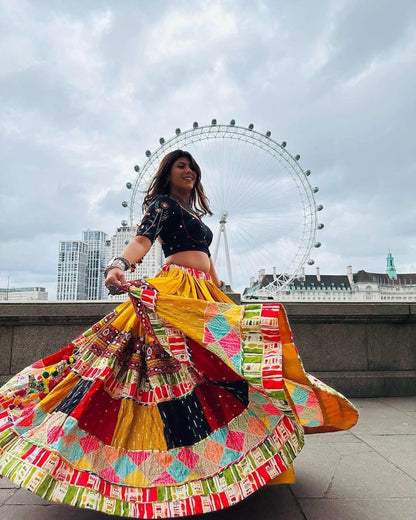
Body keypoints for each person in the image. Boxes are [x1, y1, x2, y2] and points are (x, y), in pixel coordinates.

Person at [0, 150, 358, 518]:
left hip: (204, 295)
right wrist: (118, 264)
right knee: (159, 377)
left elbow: (208, 258)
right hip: (177, 292)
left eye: (192, 167)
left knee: (227, 370)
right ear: (168, 174)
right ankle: (157, 471)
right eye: (180, 166)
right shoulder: (164, 204)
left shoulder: (196, 216)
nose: (188, 171)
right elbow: (142, 240)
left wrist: (223, 301)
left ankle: (226, 461)